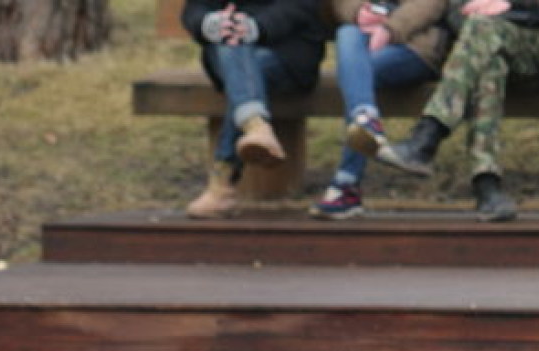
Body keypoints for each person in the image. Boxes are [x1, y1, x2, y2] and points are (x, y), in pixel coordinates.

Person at [368, 0, 539, 222]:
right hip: (485, 44)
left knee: (483, 33)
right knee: (489, 64)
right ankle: (487, 187)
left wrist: (509, 5)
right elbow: (455, 9)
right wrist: (472, 10)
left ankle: (427, 138)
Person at [182, 0, 327, 218]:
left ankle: (222, 185)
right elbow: (195, 8)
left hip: (286, 54)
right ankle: (256, 126)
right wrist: (209, 23)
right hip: (226, 51)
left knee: (243, 68)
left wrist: (255, 27)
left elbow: (301, 6)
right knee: (234, 46)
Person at [310, 0, 453, 219]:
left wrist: (390, 28)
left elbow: (431, 3)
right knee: (348, 33)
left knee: (358, 74)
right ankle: (366, 118)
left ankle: (347, 184)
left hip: (415, 45)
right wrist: (359, 12)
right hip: (364, 39)